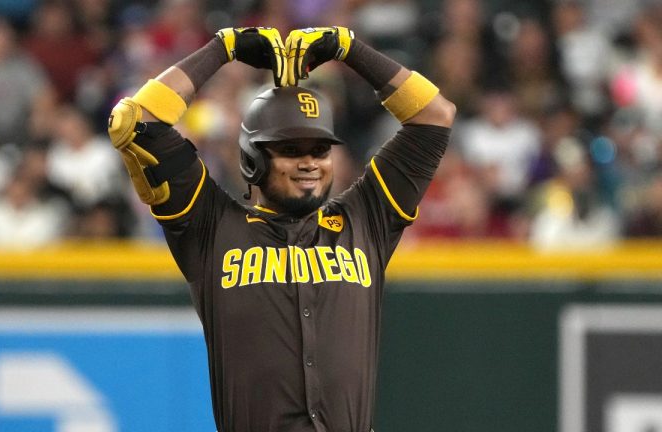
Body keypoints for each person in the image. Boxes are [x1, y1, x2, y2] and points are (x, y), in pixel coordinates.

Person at [107, 26, 455, 432]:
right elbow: (135, 120)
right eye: (290, 150)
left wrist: (351, 48)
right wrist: (225, 48)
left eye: (320, 150)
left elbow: (435, 115)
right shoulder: (210, 226)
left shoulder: (366, 219)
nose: (310, 163)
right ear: (253, 159)